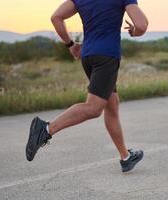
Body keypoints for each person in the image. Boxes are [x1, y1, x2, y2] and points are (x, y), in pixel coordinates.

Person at [25, 0, 148, 173]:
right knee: (94, 108)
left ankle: (126, 157)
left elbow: (56, 17)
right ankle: (45, 128)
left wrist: (71, 45)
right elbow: (141, 25)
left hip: (88, 56)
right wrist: (134, 32)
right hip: (107, 57)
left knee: (111, 105)